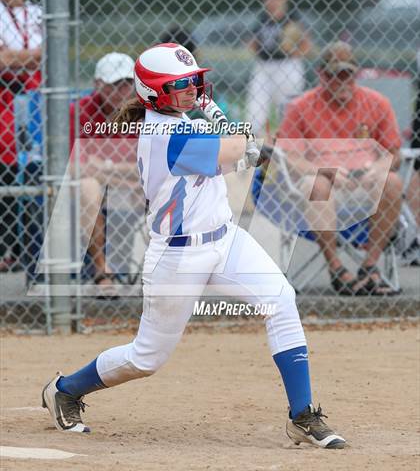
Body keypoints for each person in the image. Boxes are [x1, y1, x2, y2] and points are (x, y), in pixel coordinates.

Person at [41, 42, 346, 450]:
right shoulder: (163, 134)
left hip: (226, 238)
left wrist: (242, 143)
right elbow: (234, 150)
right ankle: (65, 389)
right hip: (178, 255)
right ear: (155, 93)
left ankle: (302, 414)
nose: (192, 89)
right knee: (146, 358)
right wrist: (244, 143)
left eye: (193, 81)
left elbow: (234, 149)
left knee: (281, 299)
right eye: (181, 84)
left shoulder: (182, 118)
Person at [277, 41, 403, 296]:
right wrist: (323, 170)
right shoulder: (300, 107)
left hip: (366, 185)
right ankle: (336, 268)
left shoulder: (377, 103)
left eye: (348, 74)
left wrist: (378, 168)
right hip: (321, 185)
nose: (342, 80)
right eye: (334, 75)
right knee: (318, 185)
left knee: (392, 181)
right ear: (321, 75)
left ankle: (369, 266)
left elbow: (394, 153)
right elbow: (290, 157)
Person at [69, 52, 139, 289]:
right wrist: (123, 174)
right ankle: (101, 269)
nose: (120, 92)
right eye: (113, 85)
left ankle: (164, 272)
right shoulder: (79, 110)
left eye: (127, 85)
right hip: (98, 186)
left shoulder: (143, 112)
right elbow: (77, 167)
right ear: (97, 84)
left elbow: (148, 166)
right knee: (89, 187)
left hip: (131, 186)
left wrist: (105, 167)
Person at [0, 0, 42, 271]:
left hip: (37, 95)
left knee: (37, 166)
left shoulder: (38, 13)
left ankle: (31, 248)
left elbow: (52, 53)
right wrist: (34, 55)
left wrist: (15, 57)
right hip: (5, 95)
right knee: (6, 163)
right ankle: (6, 248)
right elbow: (3, 61)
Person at [246, 0, 311, 136]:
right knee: (255, 113)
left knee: (287, 112)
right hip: (263, 66)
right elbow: (252, 42)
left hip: (287, 66)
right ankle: (255, 153)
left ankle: (288, 151)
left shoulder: (292, 18)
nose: (271, 1)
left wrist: (294, 52)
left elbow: (307, 45)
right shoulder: (262, 18)